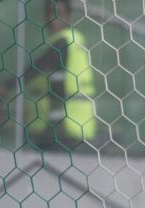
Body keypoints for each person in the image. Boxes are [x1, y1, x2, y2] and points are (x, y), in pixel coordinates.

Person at [8, 0, 97, 150]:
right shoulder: (73, 41)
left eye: (57, 14)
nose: (52, 19)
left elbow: (39, 66)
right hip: (72, 125)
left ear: (68, 16)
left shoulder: (64, 41)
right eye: (49, 14)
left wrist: (9, 85)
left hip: (67, 127)